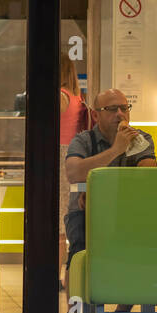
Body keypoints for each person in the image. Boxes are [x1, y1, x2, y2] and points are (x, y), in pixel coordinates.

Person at [57, 88, 157, 313]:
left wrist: (100, 189)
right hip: (84, 211)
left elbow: (147, 177)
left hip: (126, 213)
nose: (120, 114)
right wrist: (116, 150)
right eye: (111, 109)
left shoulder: (140, 139)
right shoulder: (84, 140)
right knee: (79, 254)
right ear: (95, 114)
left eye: (124, 108)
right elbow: (74, 172)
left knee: (142, 252)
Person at [58, 54, 88, 285]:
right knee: (66, 216)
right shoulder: (77, 98)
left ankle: (57, 276)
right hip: (73, 155)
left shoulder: (60, 96)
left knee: (59, 223)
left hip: (60, 156)